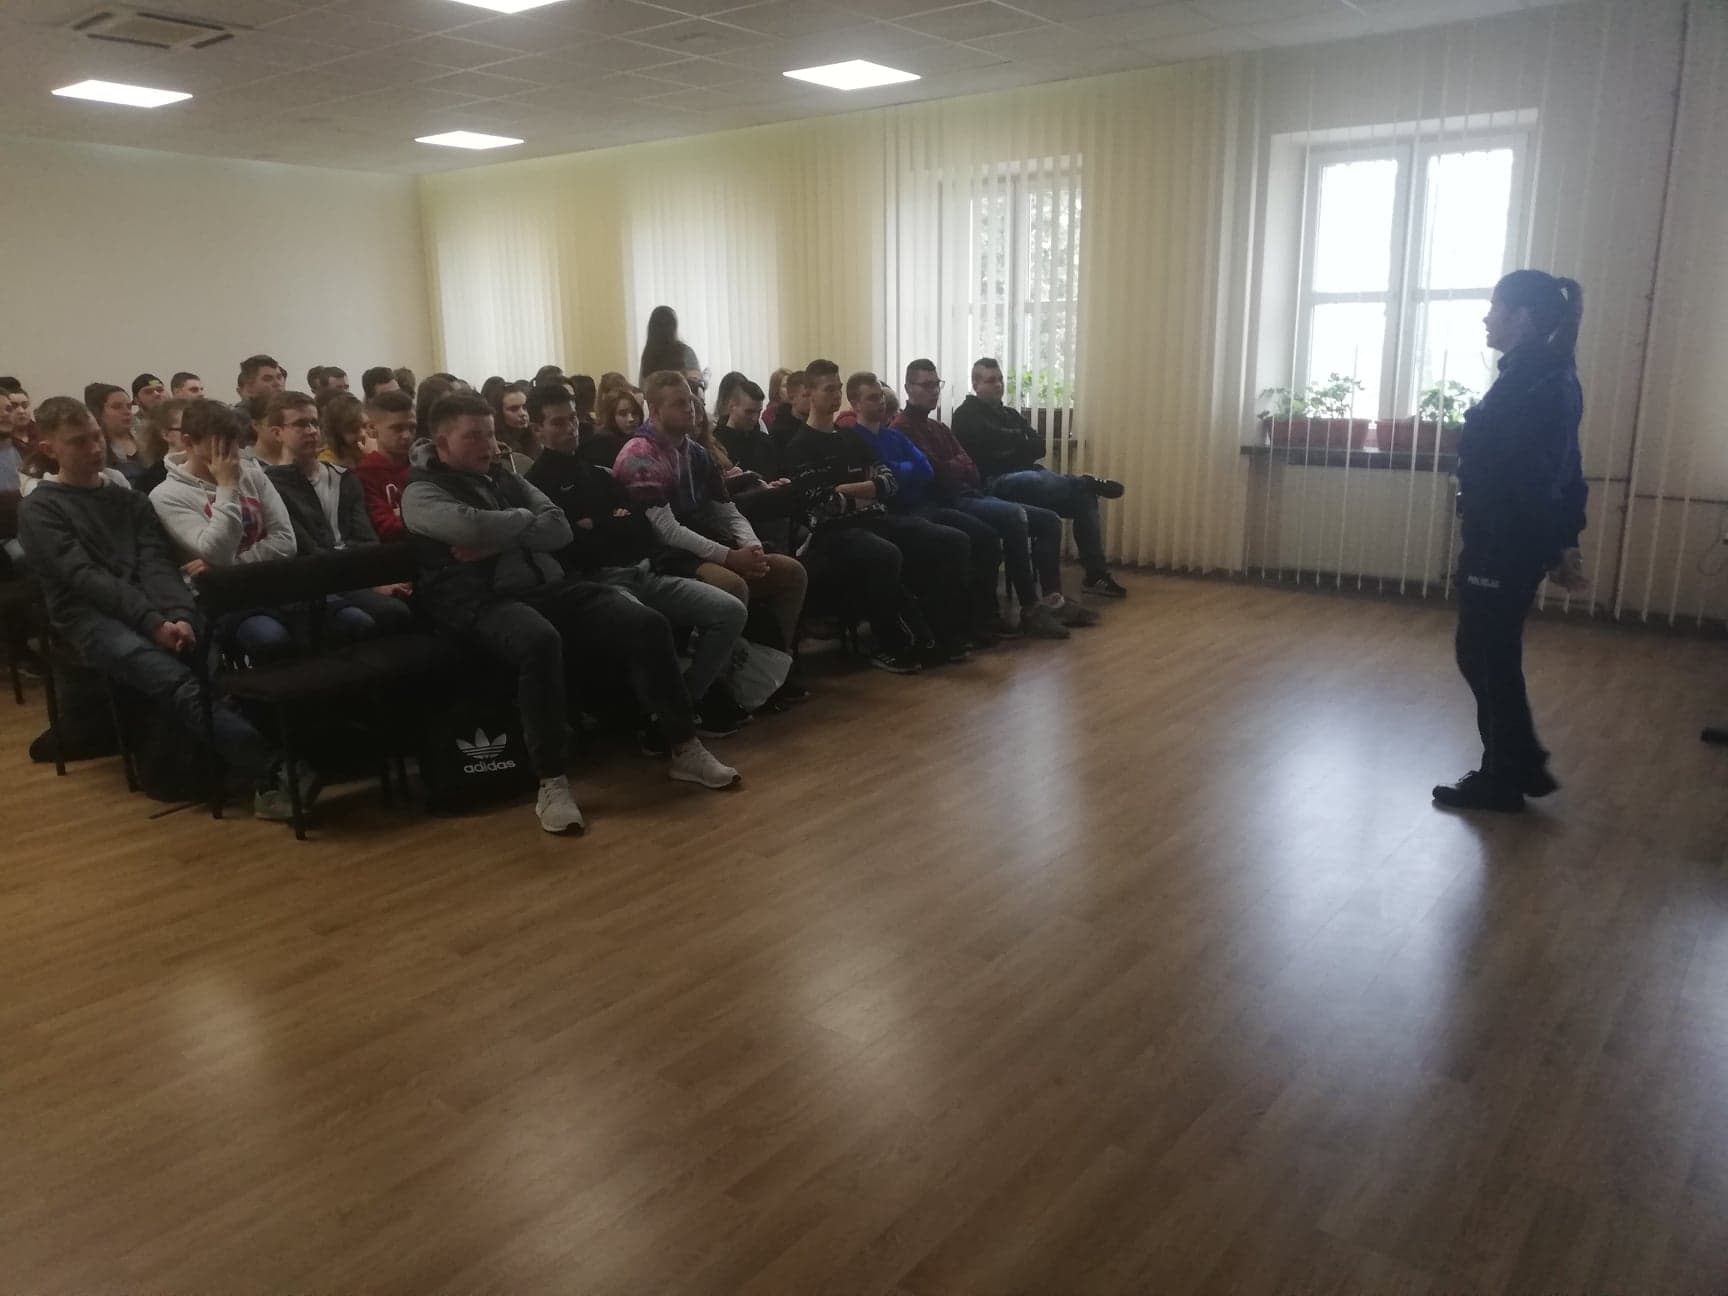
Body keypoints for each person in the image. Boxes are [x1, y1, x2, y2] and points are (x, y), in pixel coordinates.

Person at [401, 392, 739, 834]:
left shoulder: (505, 477)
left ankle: (683, 745)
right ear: (442, 442)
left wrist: (498, 533)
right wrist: (524, 523)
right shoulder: (421, 492)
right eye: (473, 436)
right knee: (540, 641)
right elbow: (467, 525)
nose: (488, 445)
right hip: (478, 601)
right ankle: (552, 782)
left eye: (490, 434)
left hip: (549, 587)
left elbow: (559, 527)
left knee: (646, 623)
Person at [18, 396, 316, 821]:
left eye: (96, 437)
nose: (95, 448)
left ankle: (241, 771)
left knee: (206, 657)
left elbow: (156, 566)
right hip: (89, 618)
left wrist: (179, 614)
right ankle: (273, 767)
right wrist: (153, 622)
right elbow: (86, 579)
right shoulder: (41, 509)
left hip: (154, 609)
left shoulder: (129, 501)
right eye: (79, 442)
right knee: (174, 679)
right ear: (51, 449)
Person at [1432, 271, 1588, 814]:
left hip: (1504, 542)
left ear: (1522, 317)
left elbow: (1537, 476)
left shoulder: (1535, 382)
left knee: (1485, 653)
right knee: (1484, 651)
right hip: (1508, 539)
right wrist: (1561, 540)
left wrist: (1554, 544)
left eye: (1495, 307)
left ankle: (1505, 776)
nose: (1486, 317)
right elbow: (1566, 469)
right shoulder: (1542, 374)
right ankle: (1517, 764)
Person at [523, 384, 752, 735]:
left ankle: (686, 701)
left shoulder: (597, 472)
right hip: (596, 585)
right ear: (537, 430)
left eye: (573, 419)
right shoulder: (535, 486)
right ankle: (667, 718)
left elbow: (639, 528)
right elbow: (569, 545)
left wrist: (594, 523)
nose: (570, 428)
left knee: (730, 610)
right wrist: (608, 521)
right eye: (557, 423)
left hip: (644, 571)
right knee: (648, 624)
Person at [784, 359, 972, 666]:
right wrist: (867, 489)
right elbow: (823, 505)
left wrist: (846, 489)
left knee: (952, 540)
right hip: (832, 533)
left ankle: (944, 633)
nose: (836, 395)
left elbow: (889, 483)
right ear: (809, 393)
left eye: (838, 388)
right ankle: (892, 644)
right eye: (828, 389)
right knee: (885, 553)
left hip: (874, 519)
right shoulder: (799, 447)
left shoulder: (850, 438)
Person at [616, 371, 808, 657]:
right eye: (679, 403)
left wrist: (752, 547)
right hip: (660, 557)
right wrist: (730, 557)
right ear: (655, 411)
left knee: (791, 573)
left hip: (702, 544)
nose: (690, 409)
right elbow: (666, 532)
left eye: (690, 401)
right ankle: (719, 676)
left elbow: (726, 509)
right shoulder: (640, 456)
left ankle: (773, 664)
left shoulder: (695, 452)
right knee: (732, 586)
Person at [895, 359, 1084, 639]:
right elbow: (937, 474)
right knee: (1014, 515)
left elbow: (970, 467)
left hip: (970, 493)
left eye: (937, 384)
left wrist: (954, 466)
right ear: (909, 388)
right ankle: (1030, 609)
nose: (934, 391)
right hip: (946, 501)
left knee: (1048, 520)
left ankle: (1052, 601)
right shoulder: (903, 428)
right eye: (926, 385)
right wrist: (955, 466)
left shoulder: (939, 427)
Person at [843, 370, 1007, 646]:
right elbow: (886, 480)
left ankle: (980, 619)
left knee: (986, 535)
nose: (880, 402)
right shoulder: (854, 440)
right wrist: (903, 471)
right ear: (855, 404)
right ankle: (948, 630)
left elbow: (926, 469)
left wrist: (899, 471)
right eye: (872, 398)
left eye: (881, 396)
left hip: (924, 505)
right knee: (955, 541)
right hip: (893, 513)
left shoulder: (893, 436)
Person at [951, 356, 1128, 599]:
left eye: (1000, 379)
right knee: (1034, 478)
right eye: (991, 380)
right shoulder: (965, 415)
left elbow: (1039, 446)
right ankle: (1084, 481)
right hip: (994, 482)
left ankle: (1095, 574)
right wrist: (1017, 441)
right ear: (976, 385)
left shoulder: (1011, 414)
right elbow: (989, 448)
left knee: (1082, 497)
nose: (999, 385)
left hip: (1029, 477)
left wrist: (1009, 443)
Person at [150, 398, 299, 665]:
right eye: (219, 445)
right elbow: (216, 551)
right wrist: (227, 486)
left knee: (349, 621)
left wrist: (231, 566)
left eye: (234, 443)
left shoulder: (252, 475)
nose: (231, 456)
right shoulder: (167, 495)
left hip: (273, 582)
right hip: (224, 600)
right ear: (188, 442)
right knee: (270, 638)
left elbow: (286, 542)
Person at [262, 392, 414, 642]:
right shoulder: (270, 485)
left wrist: (375, 578)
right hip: (315, 585)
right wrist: (368, 583)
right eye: (301, 424)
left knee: (407, 604)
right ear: (278, 433)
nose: (311, 431)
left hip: (354, 573)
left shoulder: (344, 477)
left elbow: (366, 539)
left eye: (314, 423)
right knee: (383, 616)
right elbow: (306, 550)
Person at [357, 388, 416, 542]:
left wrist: (401, 515)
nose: (407, 435)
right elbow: (385, 527)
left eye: (412, 427)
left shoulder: (422, 466)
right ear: (372, 429)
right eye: (397, 428)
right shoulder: (365, 473)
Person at [86, 382, 147, 485]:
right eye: (117, 407)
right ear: (98, 412)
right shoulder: (96, 450)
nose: (127, 412)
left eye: (129, 406)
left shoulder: (144, 440)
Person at [133, 397, 188, 496]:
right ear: (166, 435)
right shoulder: (150, 481)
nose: (198, 434)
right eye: (187, 429)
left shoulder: (208, 470)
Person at [637, 305, 699, 387]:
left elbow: (642, 386)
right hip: (681, 395)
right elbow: (696, 385)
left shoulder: (648, 355)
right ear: (674, 327)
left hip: (654, 396)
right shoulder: (686, 352)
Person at [583, 386, 641, 470]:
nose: (631, 419)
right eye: (623, 414)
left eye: (635, 413)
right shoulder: (602, 443)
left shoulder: (639, 439)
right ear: (611, 416)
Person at [490, 381, 536, 472]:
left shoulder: (538, 439)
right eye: (514, 409)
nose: (522, 413)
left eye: (524, 407)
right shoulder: (496, 448)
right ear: (499, 413)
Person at [319, 392, 368, 469]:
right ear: (337, 434)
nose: (363, 434)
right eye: (353, 430)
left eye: (365, 426)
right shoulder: (327, 464)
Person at [130, 374, 166, 444]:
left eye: (160, 390)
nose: (157, 394)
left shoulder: (179, 419)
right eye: (148, 392)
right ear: (137, 400)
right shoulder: (131, 427)